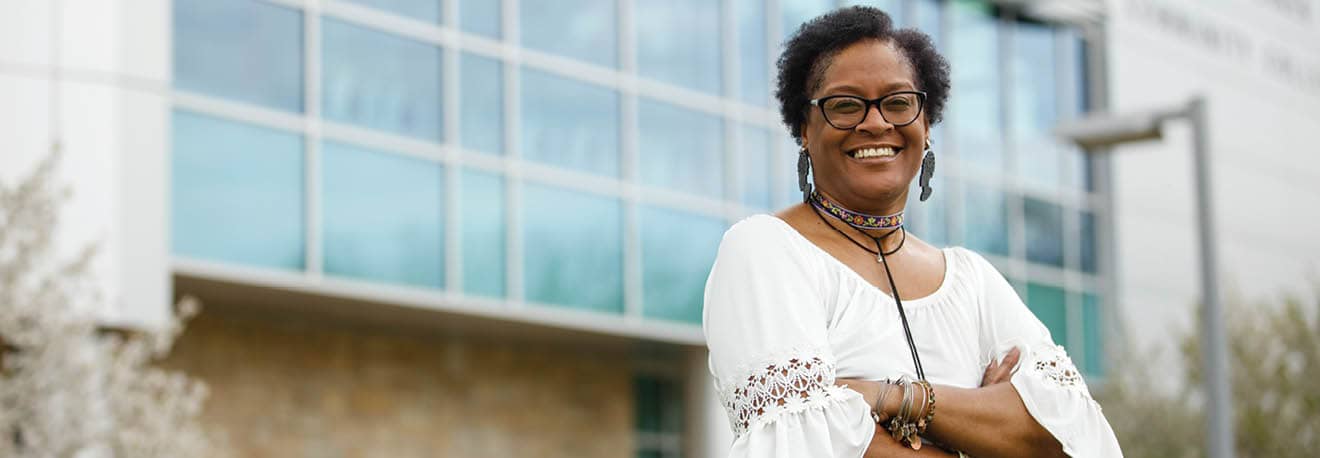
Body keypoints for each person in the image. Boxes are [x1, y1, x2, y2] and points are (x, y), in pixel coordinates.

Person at [702, 6, 1122, 457]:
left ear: (926, 124)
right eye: (845, 105)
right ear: (804, 128)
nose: (876, 123)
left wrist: (889, 397)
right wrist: (981, 424)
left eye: (899, 102)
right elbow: (804, 444)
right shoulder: (768, 250)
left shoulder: (973, 281)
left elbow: (1072, 438)